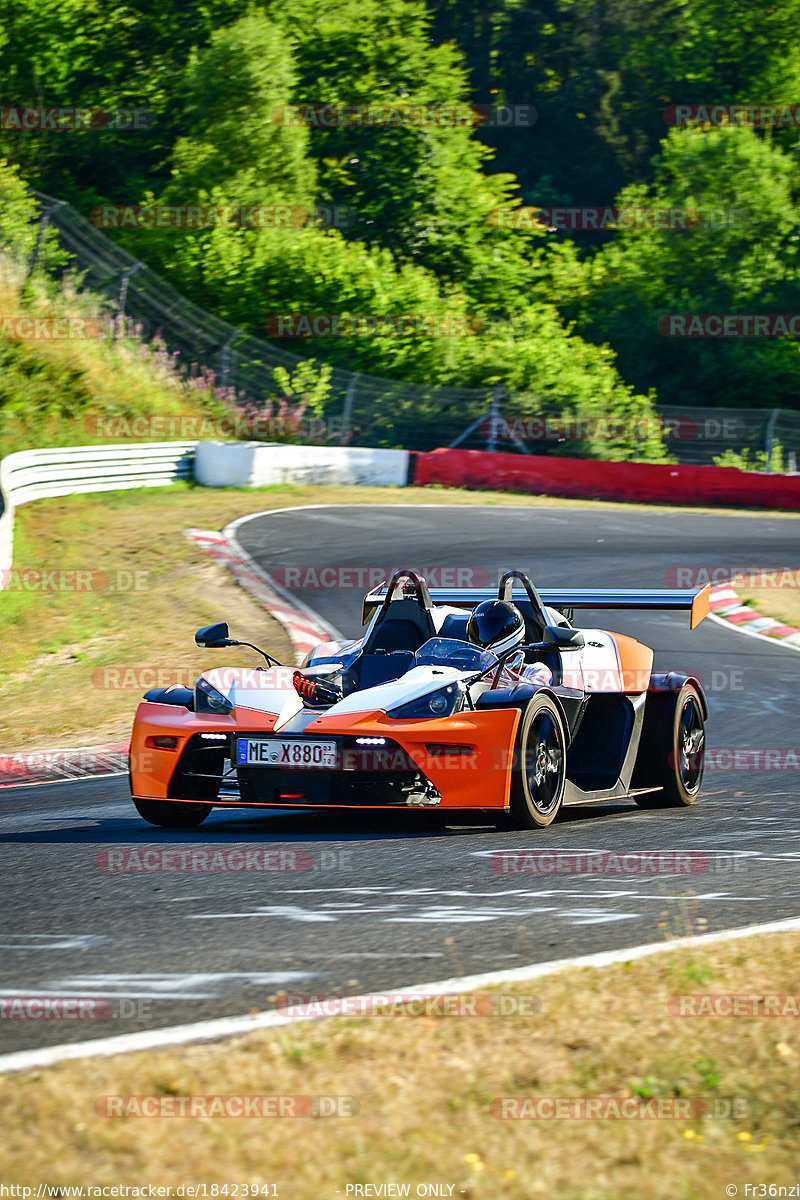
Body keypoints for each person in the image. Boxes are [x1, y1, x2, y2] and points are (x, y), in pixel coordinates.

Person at [467, 599, 553, 688]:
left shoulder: (537, 670)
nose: (482, 634)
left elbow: (534, 690)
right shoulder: (471, 667)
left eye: (488, 628)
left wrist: (499, 670)